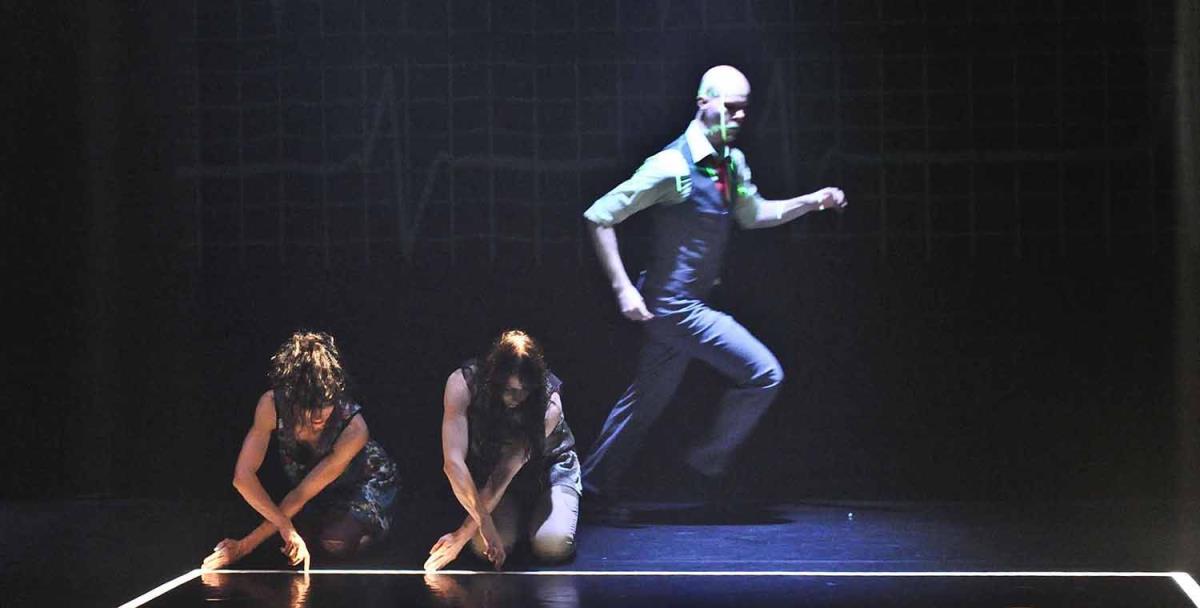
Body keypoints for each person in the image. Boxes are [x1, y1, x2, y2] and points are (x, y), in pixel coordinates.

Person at [579, 65, 848, 513]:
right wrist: (623, 288)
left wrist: (811, 201)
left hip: (679, 306)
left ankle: (591, 487)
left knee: (644, 402)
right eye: (732, 107)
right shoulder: (672, 165)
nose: (740, 117)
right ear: (704, 103)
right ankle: (704, 464)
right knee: (764, 374)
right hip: (675, 306)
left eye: (745, 109)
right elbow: (599, 215)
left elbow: (753, 214)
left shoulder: (729, 162)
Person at [201, 331, 399, 570]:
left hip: (362, 481)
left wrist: (245, 545)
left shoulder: (353, 428)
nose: (318, 416)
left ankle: (373, 530)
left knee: (334, 542)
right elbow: (243, 478)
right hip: (312, 488)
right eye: (308, 405)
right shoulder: (271, 405)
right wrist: (285, 527)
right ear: (291, 396)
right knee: (289, 534)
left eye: (326, 403)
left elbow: (301, 495)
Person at [424, 330, 581, 571]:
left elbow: (506, 470)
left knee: (552, 546)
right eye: (509, 389)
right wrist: (483, 522)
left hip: (547, 475)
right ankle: (515, 522)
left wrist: (462, 535)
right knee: (483, 548)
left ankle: (541, 519)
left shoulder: (550, 403)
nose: (517, 397)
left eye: (525, 390)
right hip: (495, 478)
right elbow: (453, 463)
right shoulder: (462, 384)